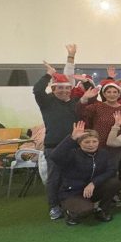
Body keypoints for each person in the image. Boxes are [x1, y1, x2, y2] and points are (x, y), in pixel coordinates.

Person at [34, 45, 80, 220]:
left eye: (67, 88)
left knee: (72, 176)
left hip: (74, 145)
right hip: (54, 146)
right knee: (55, 177)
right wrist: (49, 74)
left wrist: (71, 57)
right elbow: (37, 90)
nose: (64, 90)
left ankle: (70, 203)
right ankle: (54, 206)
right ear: (53, 89)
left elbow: (69, 78)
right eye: (60, 88)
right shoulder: (46, 102)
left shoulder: (74, 102)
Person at [49, 122, 121, 226]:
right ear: (80, 143)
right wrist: (72, 138)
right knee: (86, 210)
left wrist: (93, 183)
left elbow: (111, 170)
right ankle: (70, 212)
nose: (91, 144)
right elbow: (54, 156)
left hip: (92, 190)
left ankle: (101, 209)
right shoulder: (72, 154)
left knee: (114, 183)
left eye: (94, 141)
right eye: (87, 142)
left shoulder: (104, 153)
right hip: (72, 193)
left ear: (98, 142)